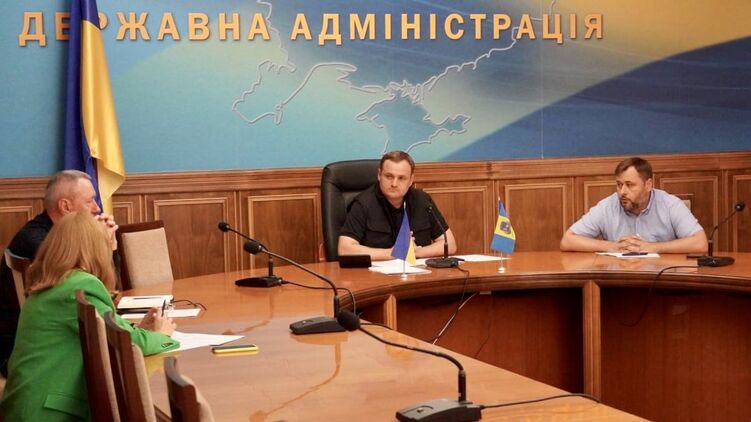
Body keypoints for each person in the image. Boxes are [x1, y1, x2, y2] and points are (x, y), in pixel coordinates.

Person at [0, 212, 179, 421]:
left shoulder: (53, 281)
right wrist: (161, 335)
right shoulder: (79, 286)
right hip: (47, 413)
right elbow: (123, 341)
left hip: (25, 405)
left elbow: (112, 328)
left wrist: (140, 329)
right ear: (94, 248)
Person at [0, 170, 119, 377]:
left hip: (48, 341)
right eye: (89, 201)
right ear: (65, 206)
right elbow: (89, 290)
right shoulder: (38, 241)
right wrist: (102, 247)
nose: (97, 208)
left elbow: (106, 292)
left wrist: (107, 248)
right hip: (31, 355)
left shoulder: (55, 235)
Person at [560, 157, 708, 254]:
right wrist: (611, 246)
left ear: (648, 185)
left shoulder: (670, 205)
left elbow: (700, 243)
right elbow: (568, 240)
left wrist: (652, 247)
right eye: (619, 185)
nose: (622, 192)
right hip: (618, 282)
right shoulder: (607, 206)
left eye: (629, 185)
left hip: (661, 281)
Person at [338, 150, 457, 260]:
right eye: (389, 176)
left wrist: (415, 253)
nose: (394, 184)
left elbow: (450, 245)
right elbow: (345, 249)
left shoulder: (423, 201)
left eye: (401, 178)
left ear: (411, 180)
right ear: (379, 175)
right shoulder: (363, 203)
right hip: (375, 274)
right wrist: (394, 253)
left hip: (417, 272)